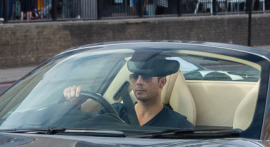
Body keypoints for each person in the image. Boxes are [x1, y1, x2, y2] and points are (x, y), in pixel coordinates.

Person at [63, 51, 194, 130]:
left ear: (162, 82)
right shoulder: (114, 112)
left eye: (146, 77)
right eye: (135, 77)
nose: (139, 82)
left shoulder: (177, 124)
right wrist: (73, 105)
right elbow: (77, 130)